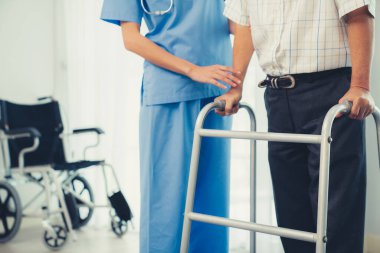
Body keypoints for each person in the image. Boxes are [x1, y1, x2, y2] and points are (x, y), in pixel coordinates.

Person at [217, 0, 376, 252]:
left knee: (336, 209)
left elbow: (358, 14)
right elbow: (246, 25)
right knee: (290, 207)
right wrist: (235, 86)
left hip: (330, 90)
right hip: (277, 96)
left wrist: (360, 85)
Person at [100, 1, 240, 252]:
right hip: (169, 93)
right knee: (165, 202)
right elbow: (131, 38)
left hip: (217, 92)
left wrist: (237, 83)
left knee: (212, 201)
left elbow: (236, 21)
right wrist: (192, 70)